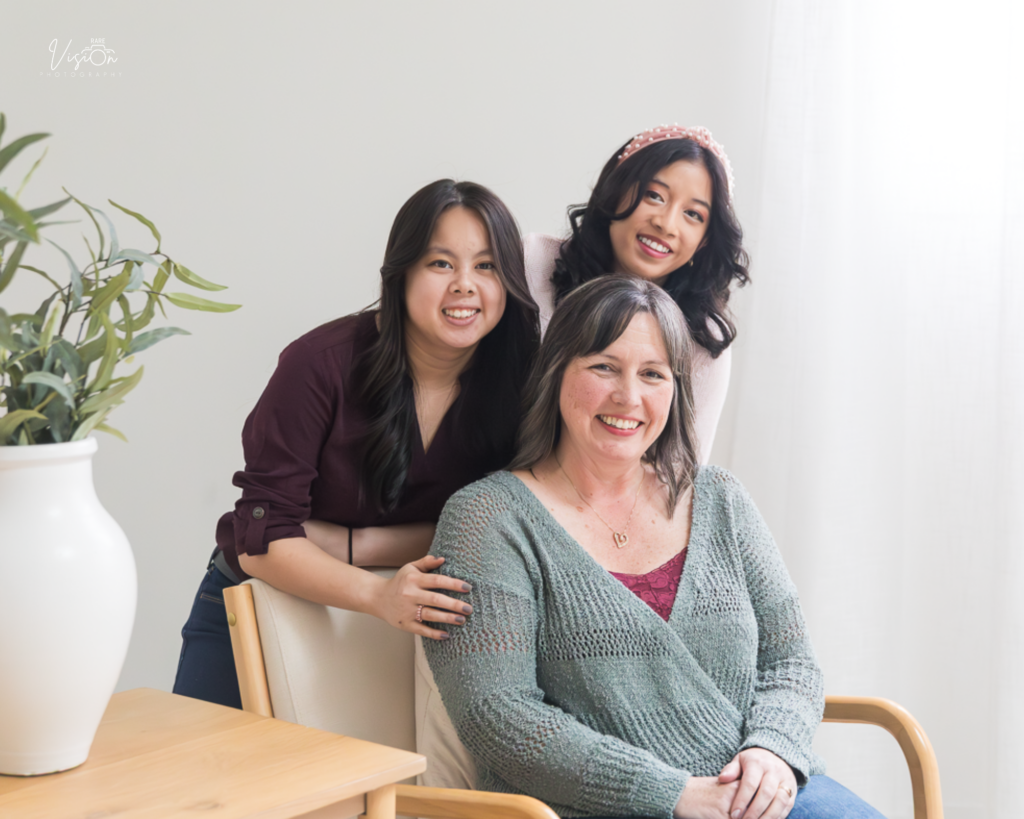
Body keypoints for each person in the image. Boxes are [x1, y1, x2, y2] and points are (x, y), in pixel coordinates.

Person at [423, 276, 884, 819]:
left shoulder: (722, 500)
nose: (628, 397)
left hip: (764, 796)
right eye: (603, 367)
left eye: (652, 374)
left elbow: (791, 663)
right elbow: (498, 715)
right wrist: (674, 795)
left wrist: (774, 750)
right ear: (556, 371)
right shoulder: (487, 518)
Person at [173, 179, 540, 709]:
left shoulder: (526, 381)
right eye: (441, 264)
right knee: (203, 784)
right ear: (401, 272)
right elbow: (261, 538)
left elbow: (516, 528)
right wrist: (374, 590)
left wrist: (358, 546)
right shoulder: (320, 363)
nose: (465, 285)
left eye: (486, 266)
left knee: (369, 793)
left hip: (412, 616)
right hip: (264, 603)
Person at [525, 124, 749, 463]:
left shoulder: (704, 340)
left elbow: (683, 473)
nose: (666, 223)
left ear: (704, 240)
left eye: (693, 214)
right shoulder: (535, 262)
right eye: (654, 195)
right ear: (616, 191)